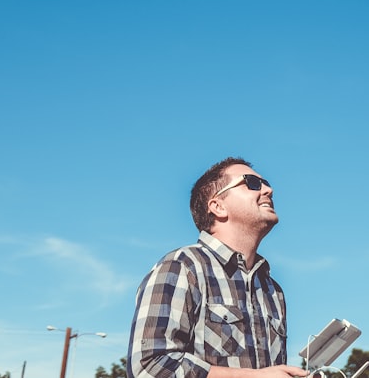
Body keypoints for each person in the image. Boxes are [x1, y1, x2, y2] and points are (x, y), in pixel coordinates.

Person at [128, 157, 307, 378]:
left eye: (266, 183)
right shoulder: (182, 267)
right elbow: (149, 366)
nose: (268, 190)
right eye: (252, 183)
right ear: (218, 206)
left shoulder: (273, 289)